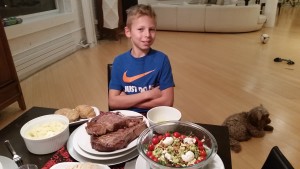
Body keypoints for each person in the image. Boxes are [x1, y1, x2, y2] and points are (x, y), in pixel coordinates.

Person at [108, 4, 175, 114]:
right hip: (127, 117)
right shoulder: (119, 61)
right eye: (140, 29)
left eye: (152, 29)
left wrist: (127, 100)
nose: (147, 34)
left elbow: (167, 102)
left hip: (154, 117)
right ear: (128, 32)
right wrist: (149, 94)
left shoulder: (162, 59)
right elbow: (113, 102)